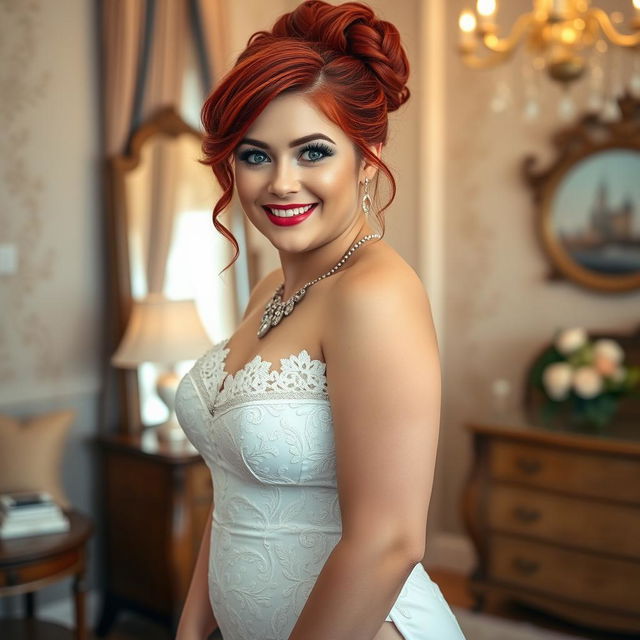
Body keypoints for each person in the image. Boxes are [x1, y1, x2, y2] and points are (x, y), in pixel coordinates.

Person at [174, 2, 466, 639]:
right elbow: (231, 490)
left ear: (368, 154)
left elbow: (390, 542)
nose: (281, 183)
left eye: (312, 152)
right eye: (255, 156)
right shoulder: (268, 287)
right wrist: (193, 627)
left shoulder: (377, 294)